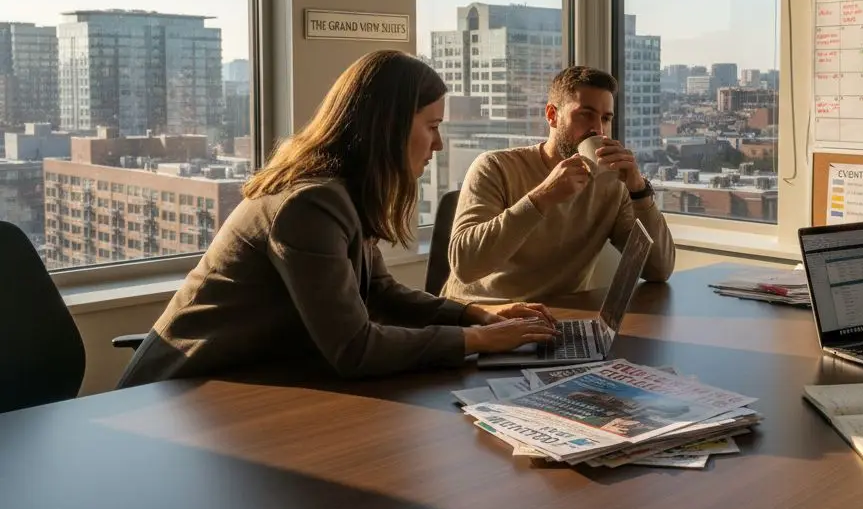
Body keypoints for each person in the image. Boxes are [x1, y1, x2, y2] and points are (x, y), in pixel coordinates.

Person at [118, 51, 558, 388]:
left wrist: (475, 315)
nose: (438, 144)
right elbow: (355, 347)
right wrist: (476, 341)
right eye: (431, 125)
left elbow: (380, 292)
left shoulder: (340, 192)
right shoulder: (310, 204)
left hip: (251, 383)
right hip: (179, 395)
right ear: (389, 127)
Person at [443, 66, 675, 302]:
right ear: (552, 115)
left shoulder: (612, 185)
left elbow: (659, 270)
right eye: (585, 114)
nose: (598, 129)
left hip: (557, 319)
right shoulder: (494, 167)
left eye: (606, 118)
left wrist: (638, 190)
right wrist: (542, 197)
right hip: (480, 318)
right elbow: (465, 265)